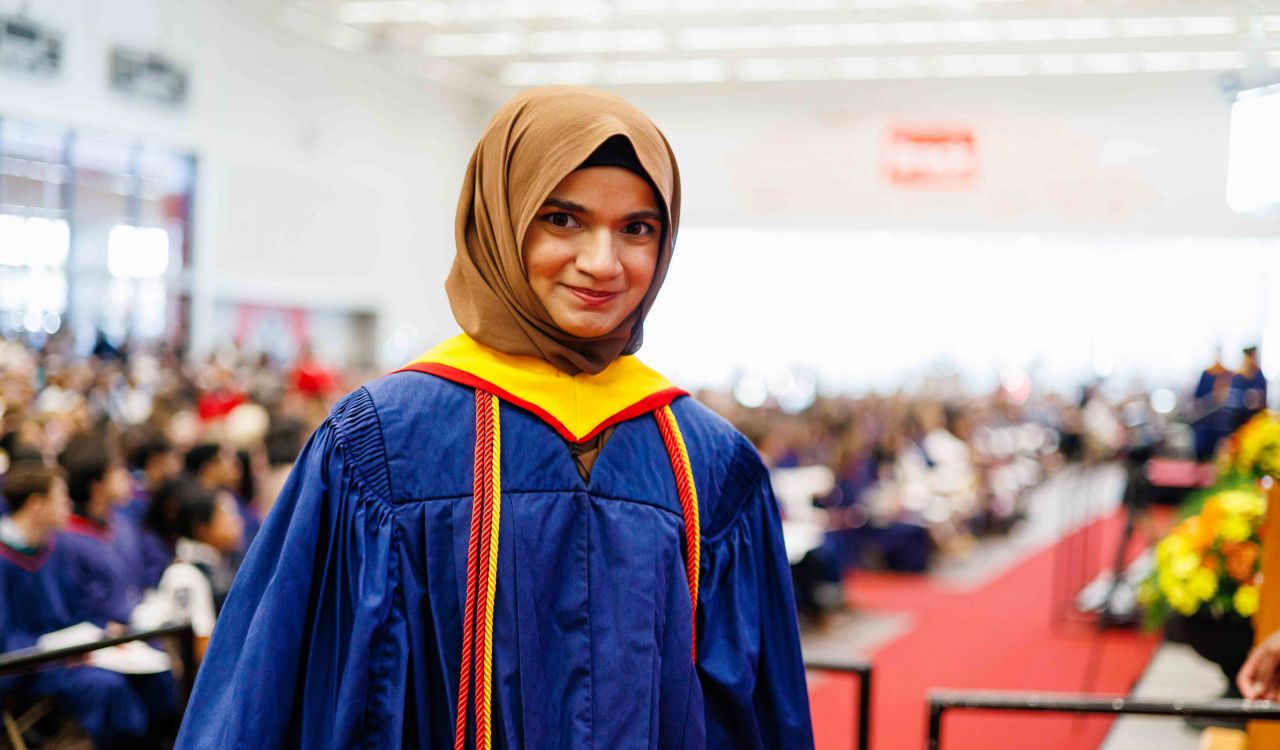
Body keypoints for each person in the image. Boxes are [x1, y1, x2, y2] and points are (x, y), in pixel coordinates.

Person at [176, 86, 814, 749]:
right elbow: (279, 697)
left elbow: (758, 720)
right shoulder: (381, 447)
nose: (602, 262)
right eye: (562, 219)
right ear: (501, 220)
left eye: (637, 228)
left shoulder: (711, 464)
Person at [0, 461, 154, 748]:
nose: (69, 505)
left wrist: (102, 629)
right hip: (29, 668)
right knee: (107, 686)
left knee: (148, 673)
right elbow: (6, 639)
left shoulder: (55, 548)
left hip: (67, 654)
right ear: (37, 506)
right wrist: (57, 651)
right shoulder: (4, 560)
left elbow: (76, 607)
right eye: (61, 498)